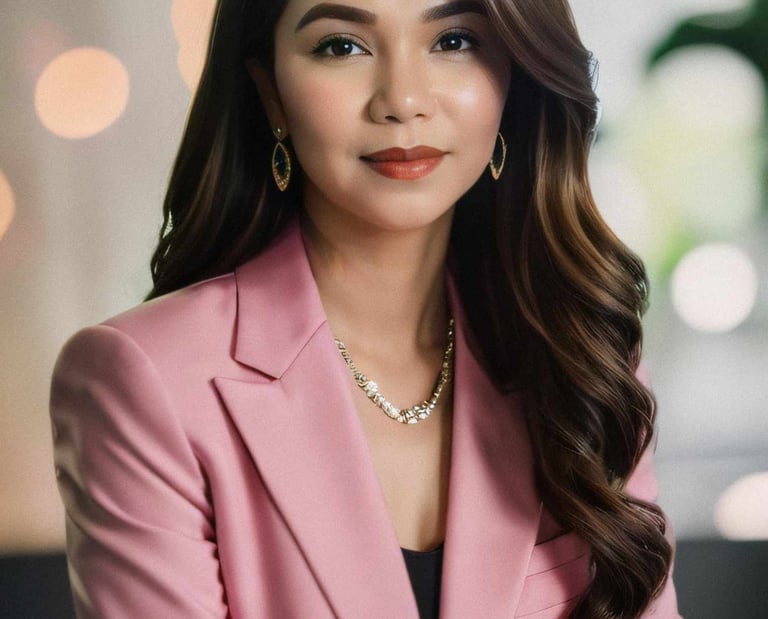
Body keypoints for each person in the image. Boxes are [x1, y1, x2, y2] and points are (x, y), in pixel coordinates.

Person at [49, 0, 681, 617]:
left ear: (513, 77)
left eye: (454, 40)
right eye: (341, 45)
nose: (403, 100)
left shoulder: (579, 356)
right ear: (269, 90)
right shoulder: (144, 379)